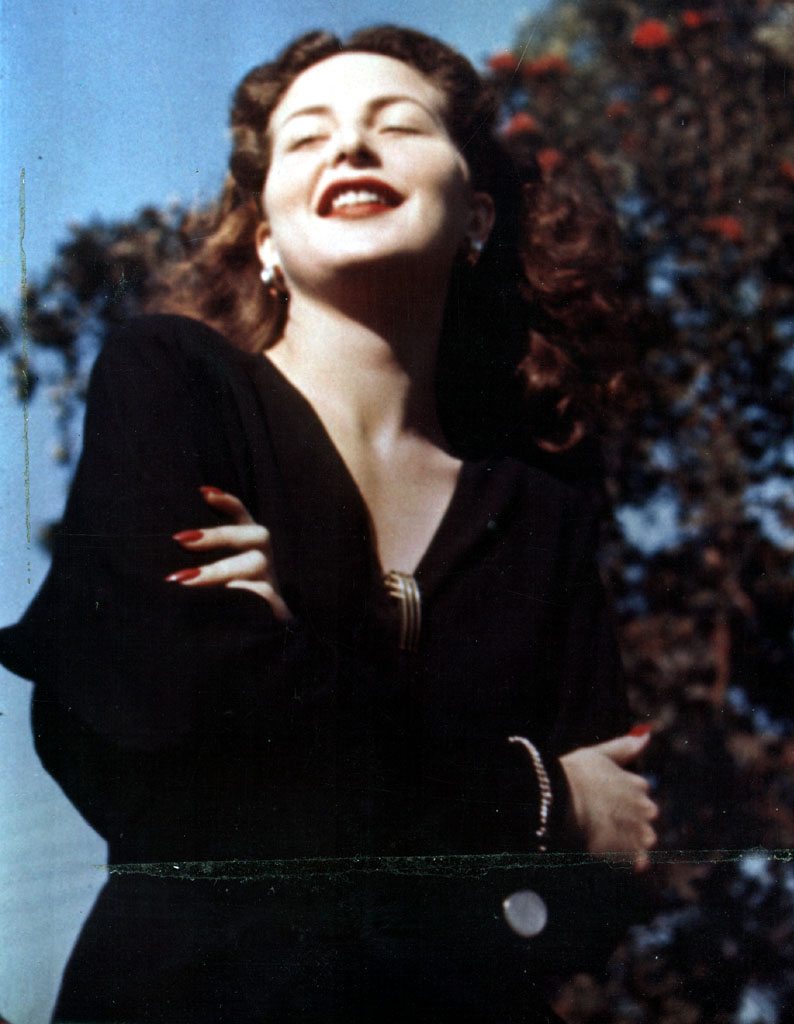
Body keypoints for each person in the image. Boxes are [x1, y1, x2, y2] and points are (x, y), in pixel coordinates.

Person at [0, 26, 657, 1024]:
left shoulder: (543, 518)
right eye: (307, 137)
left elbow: (594, 894)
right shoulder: (174, 385)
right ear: (264, 237)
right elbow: (161, 731)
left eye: (397, 126)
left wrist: (280, 671)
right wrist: (541, 797)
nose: (350, 147)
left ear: (476, 215)